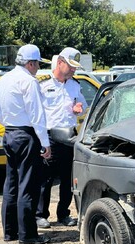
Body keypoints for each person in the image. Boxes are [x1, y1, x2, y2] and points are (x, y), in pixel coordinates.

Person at [0, 44, 52, 244]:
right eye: (38, 64)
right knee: (28, 185)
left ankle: (10, 231)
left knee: (11, 183)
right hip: (26, 134)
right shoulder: (29, 82)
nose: (38, 68)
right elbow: (36, 115)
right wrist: (45, 143)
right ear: (31, 63)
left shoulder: (5, 79)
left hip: (10, 133)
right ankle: (28, 235)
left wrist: (6, 121)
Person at [36, 47, 87, 228]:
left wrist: (79, 105)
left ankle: (63, 214)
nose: (74, 70)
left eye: (75, 67)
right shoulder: (42, 84)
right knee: (46, 178)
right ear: (60, 62)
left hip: (68, 136)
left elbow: (83, 102)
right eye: (71, 66)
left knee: (68, 179)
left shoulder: (74, 85)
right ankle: (40, 214)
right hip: (49, 137)